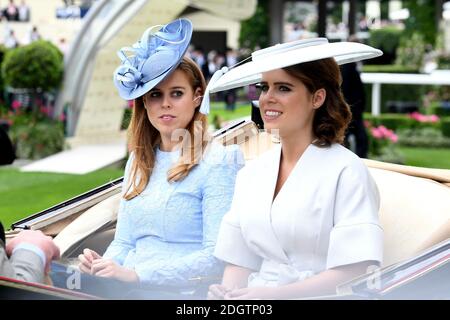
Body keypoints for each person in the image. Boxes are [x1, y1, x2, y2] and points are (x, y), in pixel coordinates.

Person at [70, 18, 243, 299]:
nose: (165, 104)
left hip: (182, 293)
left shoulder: (218, 162)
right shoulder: (138, 160)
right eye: (155, 94)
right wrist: (104, 264)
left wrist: (137, 275)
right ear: (144, 103)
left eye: (177, 94)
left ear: (197, 97)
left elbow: (217, 254)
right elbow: (124, 241)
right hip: (125, 288)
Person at [207, 38, 384, 299]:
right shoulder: (251, 174)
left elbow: (355, 269)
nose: (267, 98)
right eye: (264, 87)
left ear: (317, 97)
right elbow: (239, 258)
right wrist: (229, 292)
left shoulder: (346, 171)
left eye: (283, 88)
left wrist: (277, 296)